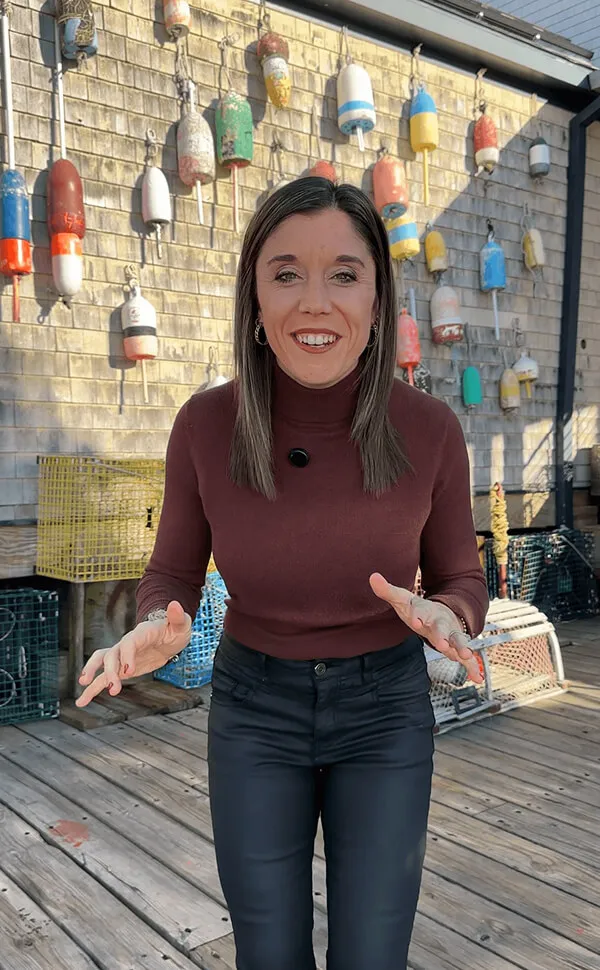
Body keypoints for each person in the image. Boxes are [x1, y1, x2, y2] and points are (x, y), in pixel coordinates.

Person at [76, 177, 489, 970]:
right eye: (286, 273)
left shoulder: (430, 429)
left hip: (385, 712)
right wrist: (160, 622)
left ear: (377, 298)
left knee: (373, 953)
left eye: (344, 274)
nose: (314, 303)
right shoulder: (206, 425)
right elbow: (172, 572)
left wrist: (451, 614)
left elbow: (462, 577)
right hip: (254, 711)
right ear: (256, 299)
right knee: (267, 952)